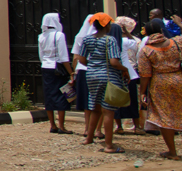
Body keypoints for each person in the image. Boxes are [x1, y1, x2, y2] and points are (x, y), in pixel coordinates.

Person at [138, 17, 182, 161]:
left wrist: (142, 92)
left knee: (164, 116)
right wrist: (179, 24)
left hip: (160, 83)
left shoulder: (146, 50)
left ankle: (172, 152)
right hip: (180, 81)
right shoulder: (176, 42)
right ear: (161, 30)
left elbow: (145, 74)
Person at [77, 13, 129, 153]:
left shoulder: (87, 39)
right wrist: (125, 70)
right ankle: (109, 145)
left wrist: (93, 64)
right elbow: (114, 62)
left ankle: (89, 138)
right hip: (107, 76)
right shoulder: (110, 40)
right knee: (108, 111)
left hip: (91, 75)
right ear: (106, 25)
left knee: (95, 107)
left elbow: (81, 59)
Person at [37, 13, 74, 133]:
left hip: (46, 67)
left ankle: (52, 125)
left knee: (49, 95)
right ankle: (62, 126)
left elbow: (41, 55)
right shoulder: (59, 35)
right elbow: (64, 57)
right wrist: (71, 72)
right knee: (61, 94)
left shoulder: (41, 36)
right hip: (57, 67)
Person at [113, 17, 143, 135]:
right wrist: (127, 33)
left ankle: (119, 126)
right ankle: (137, 126)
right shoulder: (126, 41)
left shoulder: (109, 41)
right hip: (129, 72)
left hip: (115, 73)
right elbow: (135, 45)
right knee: (132, 100)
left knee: (116, 101)